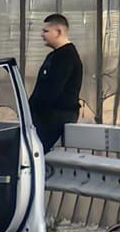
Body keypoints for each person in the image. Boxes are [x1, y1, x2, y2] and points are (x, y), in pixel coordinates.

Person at [28, 12, 83, 152]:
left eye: (46, 31)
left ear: (58, 32)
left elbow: (51, 91)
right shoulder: (55, 56)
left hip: (54, 119)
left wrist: (33, 111)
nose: (42, 35)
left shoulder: (66, 57)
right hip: (47, 118)